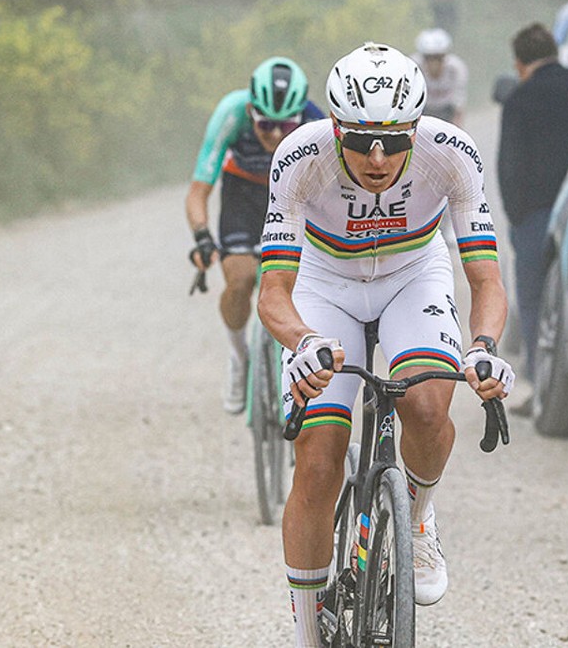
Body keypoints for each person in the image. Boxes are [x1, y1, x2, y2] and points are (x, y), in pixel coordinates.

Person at [258, 42, 515, 647]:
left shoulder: (450, 155)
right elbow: (274, 292)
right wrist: (302, 342)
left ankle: (418, 518)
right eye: (362, 140)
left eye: (396, 141)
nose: (378, 157)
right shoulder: (300, 155)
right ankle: (306, 632)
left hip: (411, 276)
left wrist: (482, 347)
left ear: (416, 129)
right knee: (320, 456)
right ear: (335, 127)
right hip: (325, 283)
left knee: (427, 408)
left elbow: (485, 279)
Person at [186, 57, 325, 415]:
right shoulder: (230, 114)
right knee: (242, 279)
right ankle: (238, 356)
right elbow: (199, 190)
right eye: (265, 124)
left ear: (300, 115)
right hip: (243, 195)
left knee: (299, 288)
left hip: (293, 199)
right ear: (251, 110)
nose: (276, 135)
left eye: (286, 125)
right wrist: (202, 237)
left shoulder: (317, 121)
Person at [496, 23, 568, 415]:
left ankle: (543, 389)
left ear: (520, 62)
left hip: (537, 215)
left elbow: (508, 165)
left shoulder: (520, 99)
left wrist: (516, 217)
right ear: (555, 52)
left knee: (534, 301)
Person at [411, 28, 468, 127]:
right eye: (429, 58)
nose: (434, 63)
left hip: (446, 111)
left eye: (438, 58)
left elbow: (459, 98)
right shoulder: (413, 66)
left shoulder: (456, 68)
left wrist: (457, 128)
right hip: (422, 110)